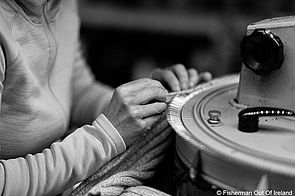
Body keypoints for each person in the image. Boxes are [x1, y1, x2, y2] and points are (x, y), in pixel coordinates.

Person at [0, 0, 212, 195]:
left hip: (57, 161)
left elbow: (76, 89)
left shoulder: (61, 4)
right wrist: (104, 136)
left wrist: (145, 104)